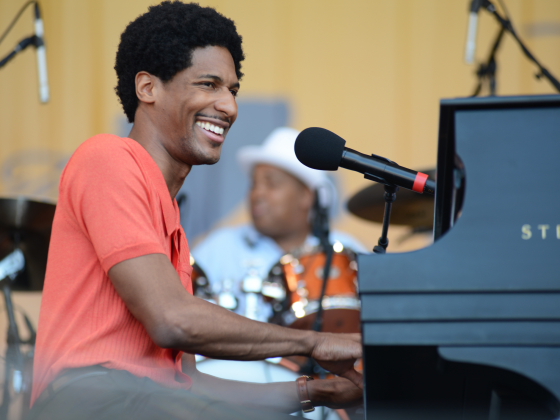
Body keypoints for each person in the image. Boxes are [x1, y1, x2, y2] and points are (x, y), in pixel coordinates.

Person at [28, 2, 362, 420]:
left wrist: (320, 393)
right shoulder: (107, 157)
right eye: (209, 84)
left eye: (233, 90)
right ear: (148, 88)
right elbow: (173, 320)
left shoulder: (173, 229)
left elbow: (193, 387)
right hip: (88, 401)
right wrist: (313, 343)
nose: (229, 107)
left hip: (148, 403)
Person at [192, 127, 366, 322]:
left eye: (271, 184)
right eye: (254, 184)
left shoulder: (344, 255)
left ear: (306, 196)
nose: (257, 194)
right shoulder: (219, 247)